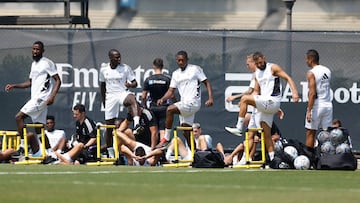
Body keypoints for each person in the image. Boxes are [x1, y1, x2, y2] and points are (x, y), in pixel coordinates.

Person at [225, 51, 299, 162]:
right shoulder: (257, 74)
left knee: (245, 99)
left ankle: (239, 128)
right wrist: (247, 101)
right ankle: (274, 160)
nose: (260, 65)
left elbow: (288, 78)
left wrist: (295, 93)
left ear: (264, 58)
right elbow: (255, 92)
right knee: (267, 134)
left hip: (272, 101)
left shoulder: (273, 67)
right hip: (266, 104)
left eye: (261, 62)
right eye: (257, 63)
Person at [4, 41, 61, 147]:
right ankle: (50, 155)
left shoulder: (47, 63)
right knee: (39, 129)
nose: (35, 51)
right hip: (36, 99)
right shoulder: (34, 64)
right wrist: (14, 85)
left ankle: (21, 147)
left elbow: (58, 80)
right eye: (33, 49)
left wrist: (52, 96)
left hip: (41, 99)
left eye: (37, 49)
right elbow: (30, 82)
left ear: (42, 51)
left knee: (19, 117)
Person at [155, 50, 214, 149]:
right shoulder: (175, 74)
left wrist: (210, 98)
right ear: (176, 61)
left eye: (183, 60)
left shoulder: (195, 69)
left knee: (169, 109)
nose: (181, 62)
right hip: (184, 104)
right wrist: (162, 98)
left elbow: (206, 82)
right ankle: (195, 155)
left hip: (193, 102)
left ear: (187, 60)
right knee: (186, 133)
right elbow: (170, 91)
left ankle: (166, 138)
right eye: (179, 60)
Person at [99, 49, 142, 153]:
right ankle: (110, 152)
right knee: (109, 126)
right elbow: (102, 87)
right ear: (110, 58)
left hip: (122, 93)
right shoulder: (104, 70)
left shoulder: (125, 68)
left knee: (132, 98)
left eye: (119, 57)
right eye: (116, 57)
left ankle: (137, 124)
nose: (119, 59)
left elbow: (135, 83)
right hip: (110, 96)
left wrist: (130, 85)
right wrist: (104, 102)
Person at [304, 49, 332, 162]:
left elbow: (312, 93)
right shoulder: (327, 70)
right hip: (328, 105)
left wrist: (309, 110)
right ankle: (327, 159)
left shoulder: (311, 72)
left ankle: (309, 160)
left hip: (317, 105)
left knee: (310, 132)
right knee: (327, 134)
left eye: (306, 59)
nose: (306, 61)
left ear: (311, 59)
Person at [142, 58, 174, 147]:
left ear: (153, 66)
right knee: (163, 130)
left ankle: (153, 149)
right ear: (162, 67)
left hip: (152, 108)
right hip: (164, 108)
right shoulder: (167, 79)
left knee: (154, 130)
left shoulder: (148, 79)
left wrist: (145, 106)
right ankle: (162, 152)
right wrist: (175, 102)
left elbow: (143, 96)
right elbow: (171, 94)